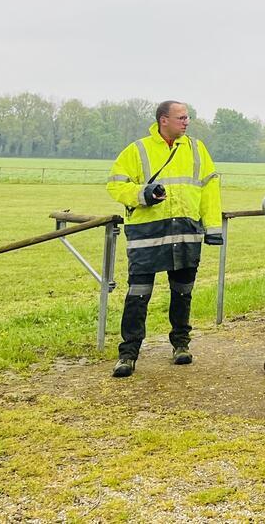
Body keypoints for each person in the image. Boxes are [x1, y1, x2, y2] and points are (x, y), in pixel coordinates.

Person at [105, 101, 221, 378]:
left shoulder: (196, 149)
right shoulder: (137, 150)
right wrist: (143, 194)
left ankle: (181, 345)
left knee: (183, 292)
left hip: (186, 232)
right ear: (163, 120)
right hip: (147, 235)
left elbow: (210, 188)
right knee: (138, 294)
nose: (187, 122)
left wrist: (213, 227)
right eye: (181, 117)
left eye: (188, 117)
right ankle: (128, 354)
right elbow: (115, 185)